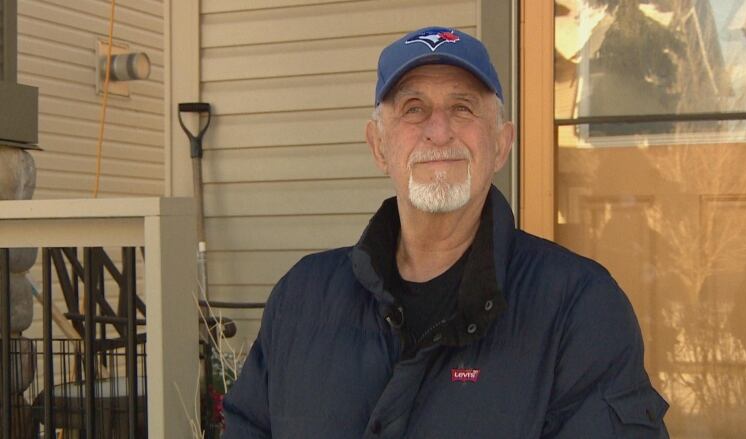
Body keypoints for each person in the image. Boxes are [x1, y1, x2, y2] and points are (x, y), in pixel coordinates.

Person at [223, 26, 670, 438]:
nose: (438, 131)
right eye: (413, 109)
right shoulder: (301, 300)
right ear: (379, 146)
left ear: (501, 144)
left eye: (462, 107)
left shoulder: (579, 308)